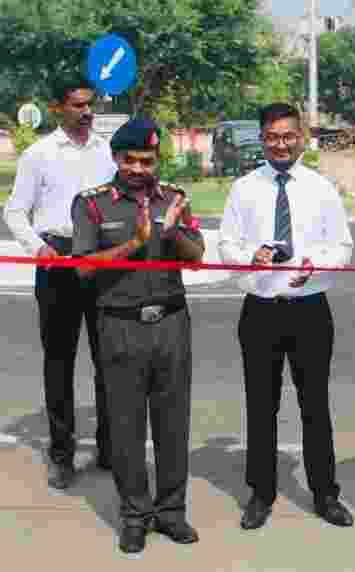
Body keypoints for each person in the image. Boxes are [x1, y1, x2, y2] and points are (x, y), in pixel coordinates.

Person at [218, 103, 355, 532]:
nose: (281, 144)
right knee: (261, 405)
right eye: (273, 137)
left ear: (301, 137)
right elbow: (226, 245)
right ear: (262, 139)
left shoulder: (321, 188)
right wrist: (250, 257)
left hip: (310, 310)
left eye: (288, 136)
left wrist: (317, 265)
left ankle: (325, 493)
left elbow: (344, 246)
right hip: (261, 310)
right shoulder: (244, 189)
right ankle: (261, 492)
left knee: (315, 405)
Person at [70, 118, 205, 554]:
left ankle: (171, 512)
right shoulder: (92, 205)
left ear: (156, 160)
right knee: (126, 425)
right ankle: (134, 515)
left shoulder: (174, 199)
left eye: (147, 161)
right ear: (115, 159)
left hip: (171, 323)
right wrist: (135, 242)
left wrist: (172, 230)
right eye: (129, 160)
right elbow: (84, 267)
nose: (139, 169)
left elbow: (197, 257)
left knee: (173, 423)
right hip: (119, 323)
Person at [5, 74, 115, 488]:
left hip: (101, 263)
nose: (87, 112)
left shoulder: (108, 152)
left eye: (90, 105)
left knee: (109, 359)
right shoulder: (39, 154)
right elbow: (15, 212)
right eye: (77, 105)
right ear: (58, 108)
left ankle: (109, 448)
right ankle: (62, 454)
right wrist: (38, 247)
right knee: (59, 362)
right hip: (57, 264)